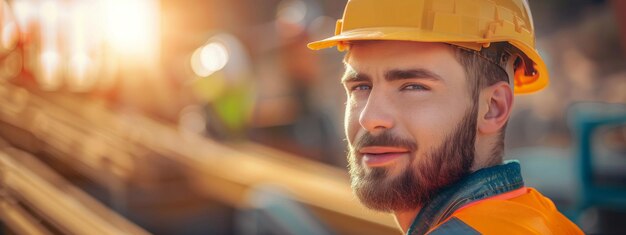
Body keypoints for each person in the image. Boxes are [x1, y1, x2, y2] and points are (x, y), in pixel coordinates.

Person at [307, 0, 584, 234]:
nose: (370, 118)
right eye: (361, 87)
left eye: (413, 86)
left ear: (493, 108)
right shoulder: (537, 220)